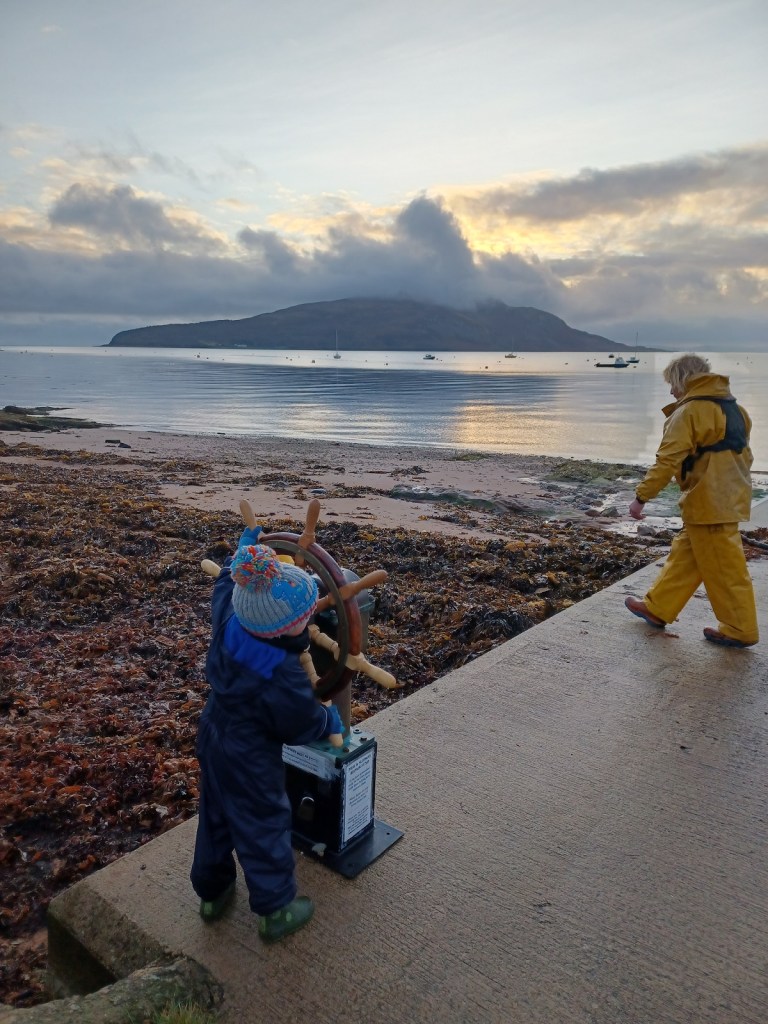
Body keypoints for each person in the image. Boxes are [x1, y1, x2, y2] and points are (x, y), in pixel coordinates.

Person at [190, 524, 344, 941]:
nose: (311, 618)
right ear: (286, 630)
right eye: (305, 618)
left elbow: (226, 582)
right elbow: (300, 724)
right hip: (250, 755)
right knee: (263, 822)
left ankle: (212, 891)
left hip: (214, 730)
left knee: (215, 816)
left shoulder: (231, 612)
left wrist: (243, 550)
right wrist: (328, 720)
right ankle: (276, 909)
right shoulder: (282, 674)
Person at [625, 353, 758, 649]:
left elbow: (668, 460)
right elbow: (743, 457)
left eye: (672, 384)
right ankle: (657, 607)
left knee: (726, 570)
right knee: (687, 554)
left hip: (709, 502)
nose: (671, 391)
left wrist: (640, 498)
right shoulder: (736, 410)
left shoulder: (689, 412)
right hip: (727, 498)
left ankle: (740, 629)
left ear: (683, 380)